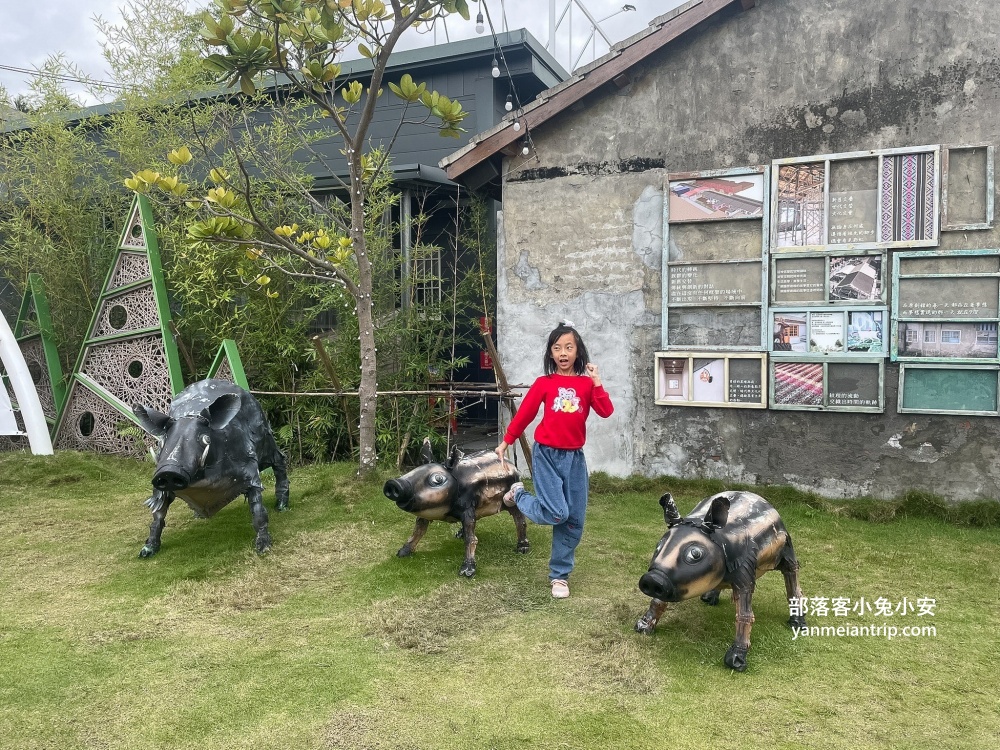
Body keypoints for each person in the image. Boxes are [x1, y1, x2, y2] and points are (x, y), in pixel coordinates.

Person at [494, 321, 614, 599]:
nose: (563, 352)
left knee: (573, 520)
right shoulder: (544, 384)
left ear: (577, 352)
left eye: (568, 347)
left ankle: (559, 576)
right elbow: (525, 413)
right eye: (557, 348)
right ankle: (519, 494)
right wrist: (506, 441)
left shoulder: (586, 385)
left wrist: (597, 382)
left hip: (574, 458)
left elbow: (606, 411)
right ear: (550, 353)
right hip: (546, 455)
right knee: (556, 513)